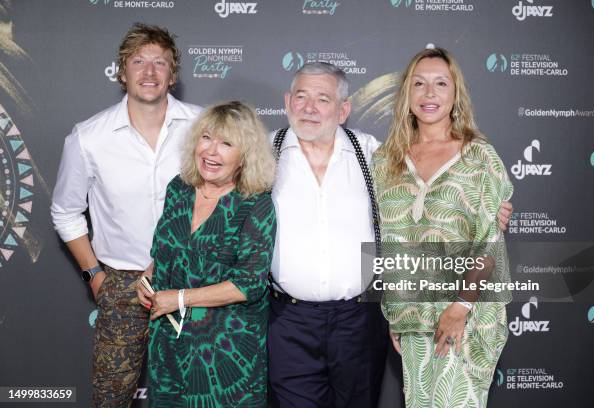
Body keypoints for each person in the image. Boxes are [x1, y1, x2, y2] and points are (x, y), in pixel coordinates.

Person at [50, 23, 201, 407]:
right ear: (121, 72)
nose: (149, 73)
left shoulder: (205, 127)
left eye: (160, 63)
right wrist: (94, 275)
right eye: (138, 62)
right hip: (120, 285)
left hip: (194, 282)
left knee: (198, 392)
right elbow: (65, 212)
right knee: (110, 397)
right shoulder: (89, 137)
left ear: (173, 75)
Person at [372, 47, 513, 407]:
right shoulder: (386, 161)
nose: (429, 93)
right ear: (406, 93)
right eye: (419, 84)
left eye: (440, 84)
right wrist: (397, 310)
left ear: (455, 95)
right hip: (413, 315)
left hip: (466, 313)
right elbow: (391, 241)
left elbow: (489, 240)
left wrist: (460, 307)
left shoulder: (479, 156)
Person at [140, 101, 277, 407]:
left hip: (225, 355)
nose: (211, 151)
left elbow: (248, 285)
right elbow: (165, 251)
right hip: (169, 344)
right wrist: (148, 277)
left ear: (245, 157)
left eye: (226, 143)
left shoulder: (255, 205)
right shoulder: (180, 188)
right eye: (206, 138)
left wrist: (178, 298)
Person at [267, 62, 388, 408]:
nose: (309, 108)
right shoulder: (263, 151)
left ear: (343, 109)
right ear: (287, 101)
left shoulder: (370, 152)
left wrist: (486, 208)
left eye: (323, 99)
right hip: (287, 322)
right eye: (301, 97)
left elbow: (424, 193)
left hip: (359, 322)